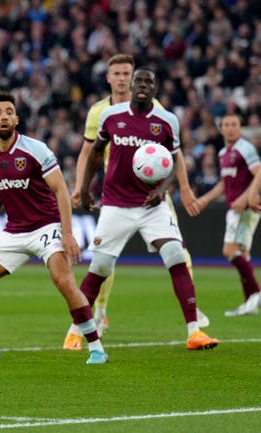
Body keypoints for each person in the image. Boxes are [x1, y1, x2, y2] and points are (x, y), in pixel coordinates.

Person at [0, 91, 108, 365]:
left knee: (63, 281)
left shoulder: (36, 150)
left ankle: (96, 347)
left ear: (16, 119)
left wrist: (67, 233)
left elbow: (61, 191)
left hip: (47, 226)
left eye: (9, 111)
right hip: (15, 231)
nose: (4, 116)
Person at [64, 54, 209, 350]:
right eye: (138, 81)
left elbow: (173, 160)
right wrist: (88, 187)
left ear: (155, 89)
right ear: (130, 86)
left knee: (176, 255)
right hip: (116, 204)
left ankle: (195, 331)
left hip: (152, 205)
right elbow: (94, 152)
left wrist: (164, 189)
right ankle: (75, 331)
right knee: (101, 268)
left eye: (148, 81)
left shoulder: (167, 121)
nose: (142, 85)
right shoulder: (110, 116)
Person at [196, 113, 261, 316]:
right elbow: (225, 183)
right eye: (227, 124)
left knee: (229, 250)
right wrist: (205, 199)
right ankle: (249, 302)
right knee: (243, 255)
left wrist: (248, 196)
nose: (231, 128)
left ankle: (256, 293)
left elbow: (259, 171)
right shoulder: (224, 152)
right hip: (234, 207)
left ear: (240, 127)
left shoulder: (245, 148)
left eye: (234, 124)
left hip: (242, 208)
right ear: (221, 128)